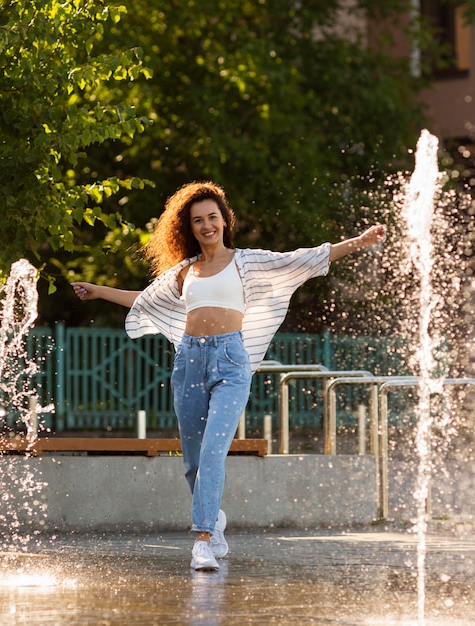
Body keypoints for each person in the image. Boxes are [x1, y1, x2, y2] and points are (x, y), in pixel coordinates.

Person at [71, 181, 386, 571]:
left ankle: (203, 539)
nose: (207, 226)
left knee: (213, 452)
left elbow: (303, 259)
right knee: (191, 461)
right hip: (189, 362)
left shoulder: (247, 262)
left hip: (231, 362)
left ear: (225, 221)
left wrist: (360, 240)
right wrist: (99, 291)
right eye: (198, 220)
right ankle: (214, 519)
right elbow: (145, 299)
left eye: (213, 218)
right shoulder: (185, 272)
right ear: (190, 227)